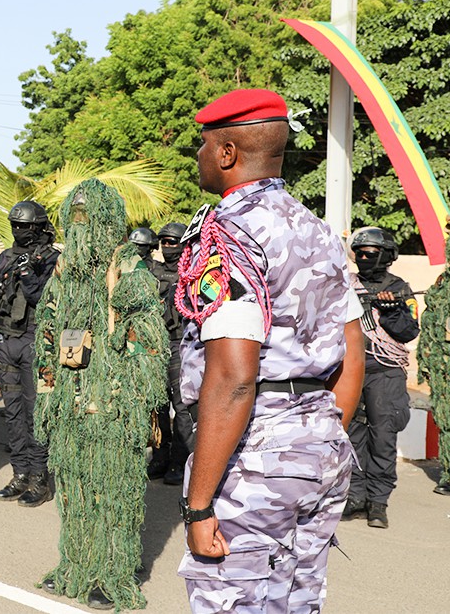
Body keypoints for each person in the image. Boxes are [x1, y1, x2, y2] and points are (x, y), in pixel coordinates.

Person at [175, 89, 363, 613]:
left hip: (255, 454)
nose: (199, 156)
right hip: (319, 445)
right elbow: (352, 351)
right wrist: (311, 439)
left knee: (230, 600)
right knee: (295, 605)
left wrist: (198, 506)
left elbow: (233, 377)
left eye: (204, 145)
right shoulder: (319, 231)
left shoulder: (228, 235)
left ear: (228, 153)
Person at [34, 179, 168, 611]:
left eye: (88, 219)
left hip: (112, 402)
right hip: (70, 401)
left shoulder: (130, 269)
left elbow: (148, 341)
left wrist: (138, 403)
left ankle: (112, 573)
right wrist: (47, 391)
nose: (80, 229)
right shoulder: (63, 270)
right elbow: (48, 333)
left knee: (112, 492)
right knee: (74, 489)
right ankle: (76, 564)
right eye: (74, 218)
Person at [0, 201, 59, 507]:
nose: (18, 230)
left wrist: (27, 275)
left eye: (24, 226)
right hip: (6, 340)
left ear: (37, 227)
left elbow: (44, 297)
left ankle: (39, 478)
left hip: (36, 341)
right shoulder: (6, 257)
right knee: (12, 413)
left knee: (36, 413)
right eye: (15, 225)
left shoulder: (52, 259)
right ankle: (20, 473)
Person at [342, 227, 419, 529]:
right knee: (351, 435)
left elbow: (409, 331)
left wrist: (392, 311)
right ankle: (355, 496)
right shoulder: (347, 286)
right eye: (359, 253)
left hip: (385, 372)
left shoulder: (399, 289)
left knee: (383, 436)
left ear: (386, 256)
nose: (363, 258)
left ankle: (378, 502)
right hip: (352, 370)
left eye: (370, 254)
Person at [148, 222, 192, 486]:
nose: (167, 246)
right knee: (157, 406)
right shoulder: (151, 271)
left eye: (172, 242)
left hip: (180, 345)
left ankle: (179, 461)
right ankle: (160, 457)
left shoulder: (192, 272)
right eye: (163, 241)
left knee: (182, 408)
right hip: (155, 345)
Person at [417, 225, 450, 497]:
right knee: (445, 418)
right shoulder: (441, 286)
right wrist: (426, 361)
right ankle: (448, 473)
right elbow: (429, 323)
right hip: (443, 367)